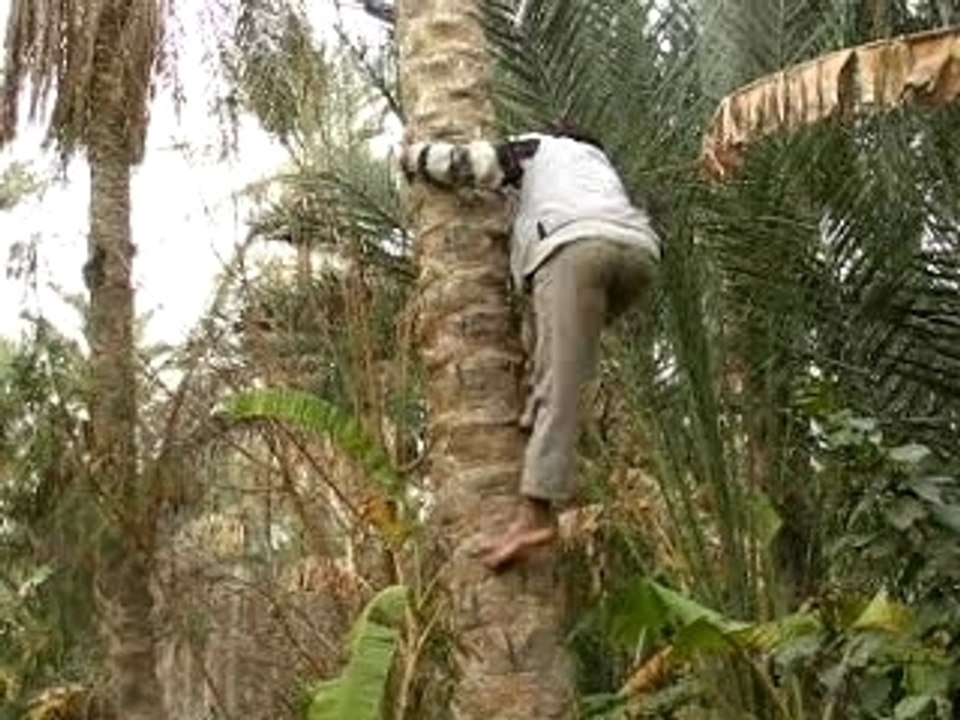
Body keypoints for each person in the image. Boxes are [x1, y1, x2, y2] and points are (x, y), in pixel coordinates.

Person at [401, 121, 661, 569]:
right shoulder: (599, 168)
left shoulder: (540, 148)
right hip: (638, 257)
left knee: (560, 379)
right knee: (560, 354)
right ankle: (535, 410)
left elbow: (471, 164)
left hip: (576, 246)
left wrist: (414, 157)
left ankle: (535, 514)